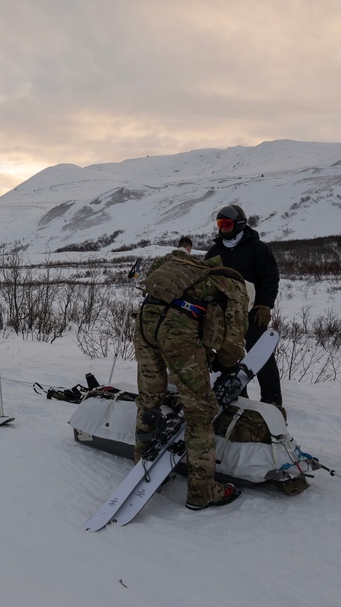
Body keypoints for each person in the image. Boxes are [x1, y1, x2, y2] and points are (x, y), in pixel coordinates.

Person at [133, 246, 248, 510]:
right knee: (199, 412)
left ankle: (142, 467)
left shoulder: (190, 273)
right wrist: (224, 362)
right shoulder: (233, 286)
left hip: (144, 324)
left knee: (149, 399)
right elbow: (234, 338)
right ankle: (202, 491)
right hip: (177, 334)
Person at [204, 204, 283, 406]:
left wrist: (265, 305)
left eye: (227, 224)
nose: (222, 229)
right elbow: (206, 280)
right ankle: (237, 398)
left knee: (261, 356)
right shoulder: (215, 251)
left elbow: (269, 277)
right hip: (222, 315)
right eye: (220, 224)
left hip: (251, 312)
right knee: (227, 358)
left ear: (239, 224)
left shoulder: (257, 248)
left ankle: (272, 400)